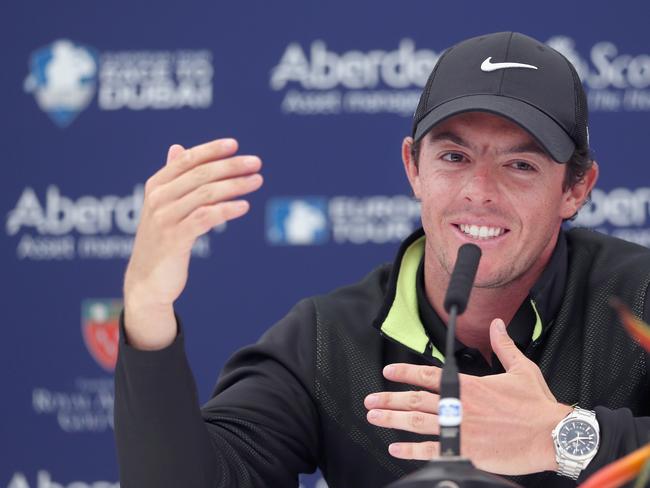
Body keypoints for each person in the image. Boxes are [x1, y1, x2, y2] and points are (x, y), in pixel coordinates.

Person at [114, 32, 650, 487]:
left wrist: (564, 438)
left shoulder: (640, 298)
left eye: (521, 165)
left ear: (576, 188)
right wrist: (147, 307)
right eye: (454, 157)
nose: (479, 191)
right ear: (413, 166)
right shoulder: (326, 341)